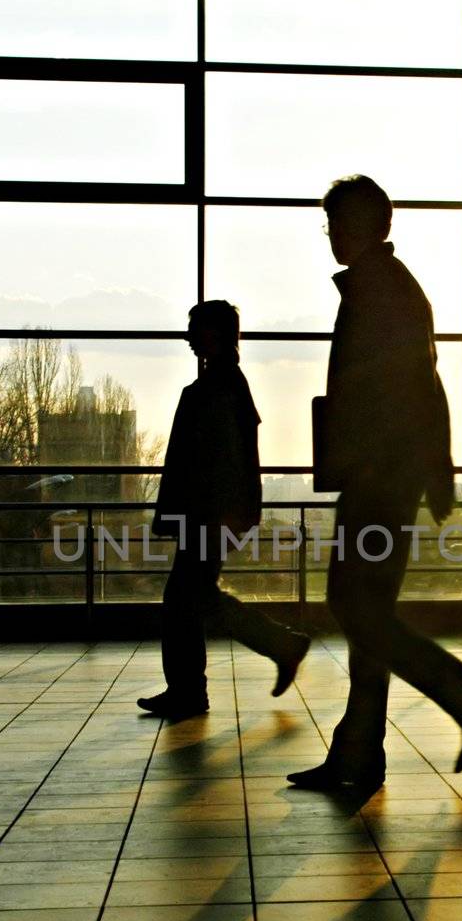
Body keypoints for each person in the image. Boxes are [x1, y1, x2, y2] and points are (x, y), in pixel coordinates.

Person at [288, 176, 462, 792]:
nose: (329, 233)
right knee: (364, 607)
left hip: (380, 473)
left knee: (354, 603)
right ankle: (360, 751)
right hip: (386, 471)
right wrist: (435, 471)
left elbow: (410, 385)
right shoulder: (385, 287)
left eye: (333, 222)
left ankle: (459, 698)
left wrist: (424, 468)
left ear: (360, 226)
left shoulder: (379, 291)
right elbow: (423, 383)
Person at [137, 301, 311, 721]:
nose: (189, 336)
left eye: (194, 327)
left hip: (208, 515)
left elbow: (213, 461)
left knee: (185, 598)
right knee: (193, 597)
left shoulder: (218, 386)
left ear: (213, 333)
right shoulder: (228, 383)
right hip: (214, 514)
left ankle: (192, 688)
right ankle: (201, 682)